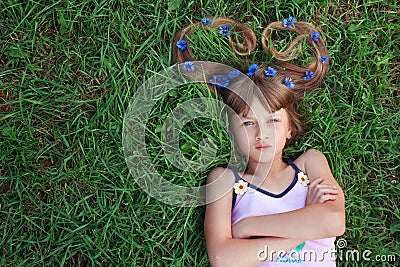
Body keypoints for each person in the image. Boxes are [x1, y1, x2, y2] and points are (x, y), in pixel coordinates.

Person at [173, 17, 345, 266]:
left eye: (273, 121)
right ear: (231, 130)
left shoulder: (311, 163)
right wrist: (307, 223)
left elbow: (333, 222)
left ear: (289, 129)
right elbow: (223, 258)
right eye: (248, 123)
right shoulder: (224, 180)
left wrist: (248, 228)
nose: (262, 134)